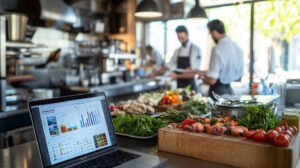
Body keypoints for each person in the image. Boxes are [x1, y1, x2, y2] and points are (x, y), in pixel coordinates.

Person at [184, 20, 244, 98]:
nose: (211, 36)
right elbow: (225, 72)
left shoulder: (218, 48)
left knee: (216, 110)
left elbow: (212, 80)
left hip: (218, 93)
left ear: (214, 32)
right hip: (230, 91)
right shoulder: (237, 46)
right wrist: (198, 71)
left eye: (210, 34)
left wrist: (201, 78)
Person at [148, 25, 202, 92]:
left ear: (187, 35)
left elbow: (194, 72)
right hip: (179, 85)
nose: (181, 40)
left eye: (182, 38)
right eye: (179, 38)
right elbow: (168, 66)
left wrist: (177, 76)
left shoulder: (196, 49)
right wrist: (155, 73)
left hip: (191, 86)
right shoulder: (177, 50)